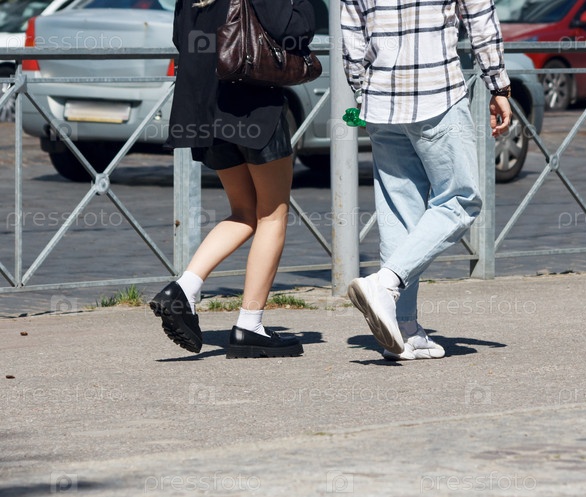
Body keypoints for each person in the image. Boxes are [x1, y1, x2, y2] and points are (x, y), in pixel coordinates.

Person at [340, 0, 512, 360]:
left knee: (401, 215)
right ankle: (386, 283)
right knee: (461, 200)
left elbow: (352, 34)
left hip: (380, 100)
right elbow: (479, 17)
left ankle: (403, 330)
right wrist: (498, 86)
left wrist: (362, 89)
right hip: (436, 93)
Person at [149, 0, 316, 358]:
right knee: (272, 214)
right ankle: (249, 325)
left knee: (243, 212)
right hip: (250, 102)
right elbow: (292, 29)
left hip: (203, 107)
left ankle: (184, 289)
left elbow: (182, 38)